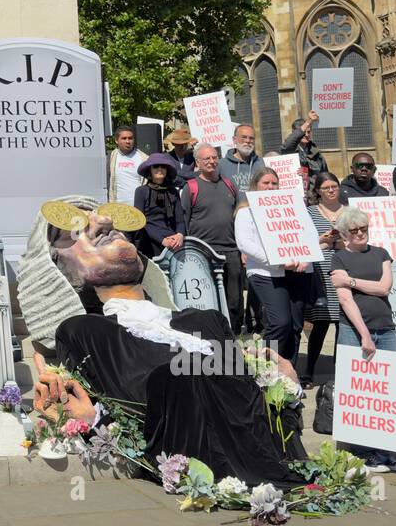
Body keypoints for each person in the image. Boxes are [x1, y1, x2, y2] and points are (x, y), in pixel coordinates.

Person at [22, 206, 307, 486]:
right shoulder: (86, 332)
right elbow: (130, 412)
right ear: (58, 271)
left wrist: (281, 386)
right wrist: (92, 419)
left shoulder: (207, 320)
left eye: (106, 220)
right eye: (76, 229)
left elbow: (250, 403)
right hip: (198, 470)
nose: (105, 222)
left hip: (269, 467)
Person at [330, 205, 396, 473]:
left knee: (386, 390)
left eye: (364, 228)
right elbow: (345, 301)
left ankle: (386, 450)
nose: (360, 233)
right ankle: (362, 453)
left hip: (386, 327)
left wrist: (350, 280)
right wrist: (364, 334)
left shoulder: (381, 253)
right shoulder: (338, 258)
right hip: (355, 329)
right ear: (343, 233)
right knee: (359, 391)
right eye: (354, 230)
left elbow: (385, 287)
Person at [235, 167, 317, 366]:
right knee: (280, 322)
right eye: (266, 183)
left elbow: (309, 234)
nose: (271, 187)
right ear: (255, 186)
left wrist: (307, 257)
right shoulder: (246, 212)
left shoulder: (293, 207)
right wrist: (278, 261)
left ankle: (290, 378)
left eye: (274, 183)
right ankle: (266, 371)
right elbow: (245, 243)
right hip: (266, 273)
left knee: (296, 326)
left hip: (298, 271)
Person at [180, 144, 243, 331]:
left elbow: (238, 217)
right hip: (203, 252)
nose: (211, 161)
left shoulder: (230, 185)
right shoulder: (190, 187)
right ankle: (212, 334)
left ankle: (234, 334)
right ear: (197, 163)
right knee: (209, 297)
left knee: (234, 298)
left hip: (231, 250)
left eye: (214, 157)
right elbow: (184, 220)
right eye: (206, 158)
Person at [303, 172, 345, 384]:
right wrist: (323, 242)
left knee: (342, 324)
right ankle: (309, 370)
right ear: (318, 191)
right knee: (320, 323)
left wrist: (341, 243)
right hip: (320, 271)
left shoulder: (349, 212)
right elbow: (304, 242)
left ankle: (340, 371)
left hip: (345, 270)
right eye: (326, 187)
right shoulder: (310, 213)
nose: (331, 190)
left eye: (334, 186)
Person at [131, 153, 186, 258]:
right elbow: (140, 222)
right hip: (149, 242)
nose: (160, 169)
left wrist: (180, 235)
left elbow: (180, 220)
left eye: (163, 166)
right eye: (156, 166)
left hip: (172, 242)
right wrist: (162, 240)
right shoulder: (141, 191)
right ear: (150, 170)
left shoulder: (173, 192)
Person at [107, 124, 147, 204]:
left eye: (130, 138)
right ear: (116, 140)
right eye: (124, 138)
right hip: (117, 206)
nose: (128, 141)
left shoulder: (144, 158)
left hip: (138, 206)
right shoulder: (110, 157)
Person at [279, 111, 326, 178]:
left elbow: (325, 175)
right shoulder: (289, 151)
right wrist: (308, 122)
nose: (306, 135)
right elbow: (287, 146)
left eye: (309, 132)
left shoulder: (316, 153)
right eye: (304, 132)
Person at [219, 124, 262, 196]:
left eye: (251, 138)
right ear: (234, 140)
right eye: (244, 137)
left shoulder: (261, 163)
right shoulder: (221, 164)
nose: (248, 141)